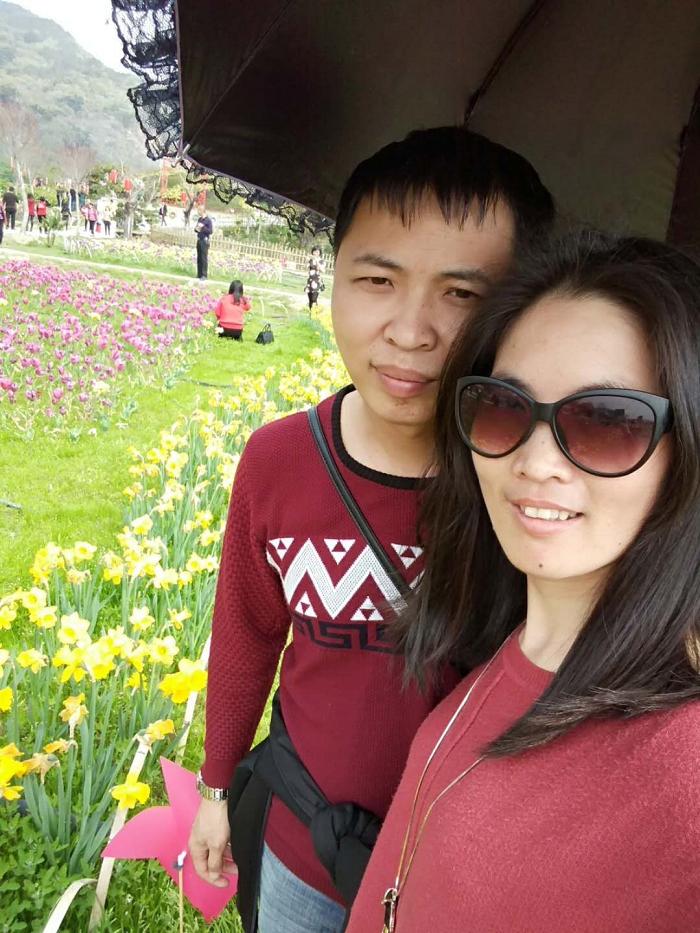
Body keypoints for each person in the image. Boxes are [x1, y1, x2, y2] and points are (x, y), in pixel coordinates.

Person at [187, 126, 554, 933]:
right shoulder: (278, 461)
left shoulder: (538, 485)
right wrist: (215, 788)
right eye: (379, 279)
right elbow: (246, 634)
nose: (411, 330)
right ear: (333, 278)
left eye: (463, 295)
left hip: (463, 883)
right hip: (305, 854)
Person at [346, 230, 700, 933]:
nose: (535, 463)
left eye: (608, 421)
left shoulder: (682, 769)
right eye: (503, 405)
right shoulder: (502, 654)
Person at [194, 208, 213, 279]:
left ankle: (204, 275)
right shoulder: (200, 219)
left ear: (202, 211)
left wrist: (203, 227)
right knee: (199, 258)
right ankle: (199, 274)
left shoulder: (208, 220)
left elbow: (210, 231)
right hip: (199, 239)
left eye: (199, 211)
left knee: (203, 258)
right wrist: (196, 229)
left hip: (204, 240)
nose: (198, 212)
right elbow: (196, 229)